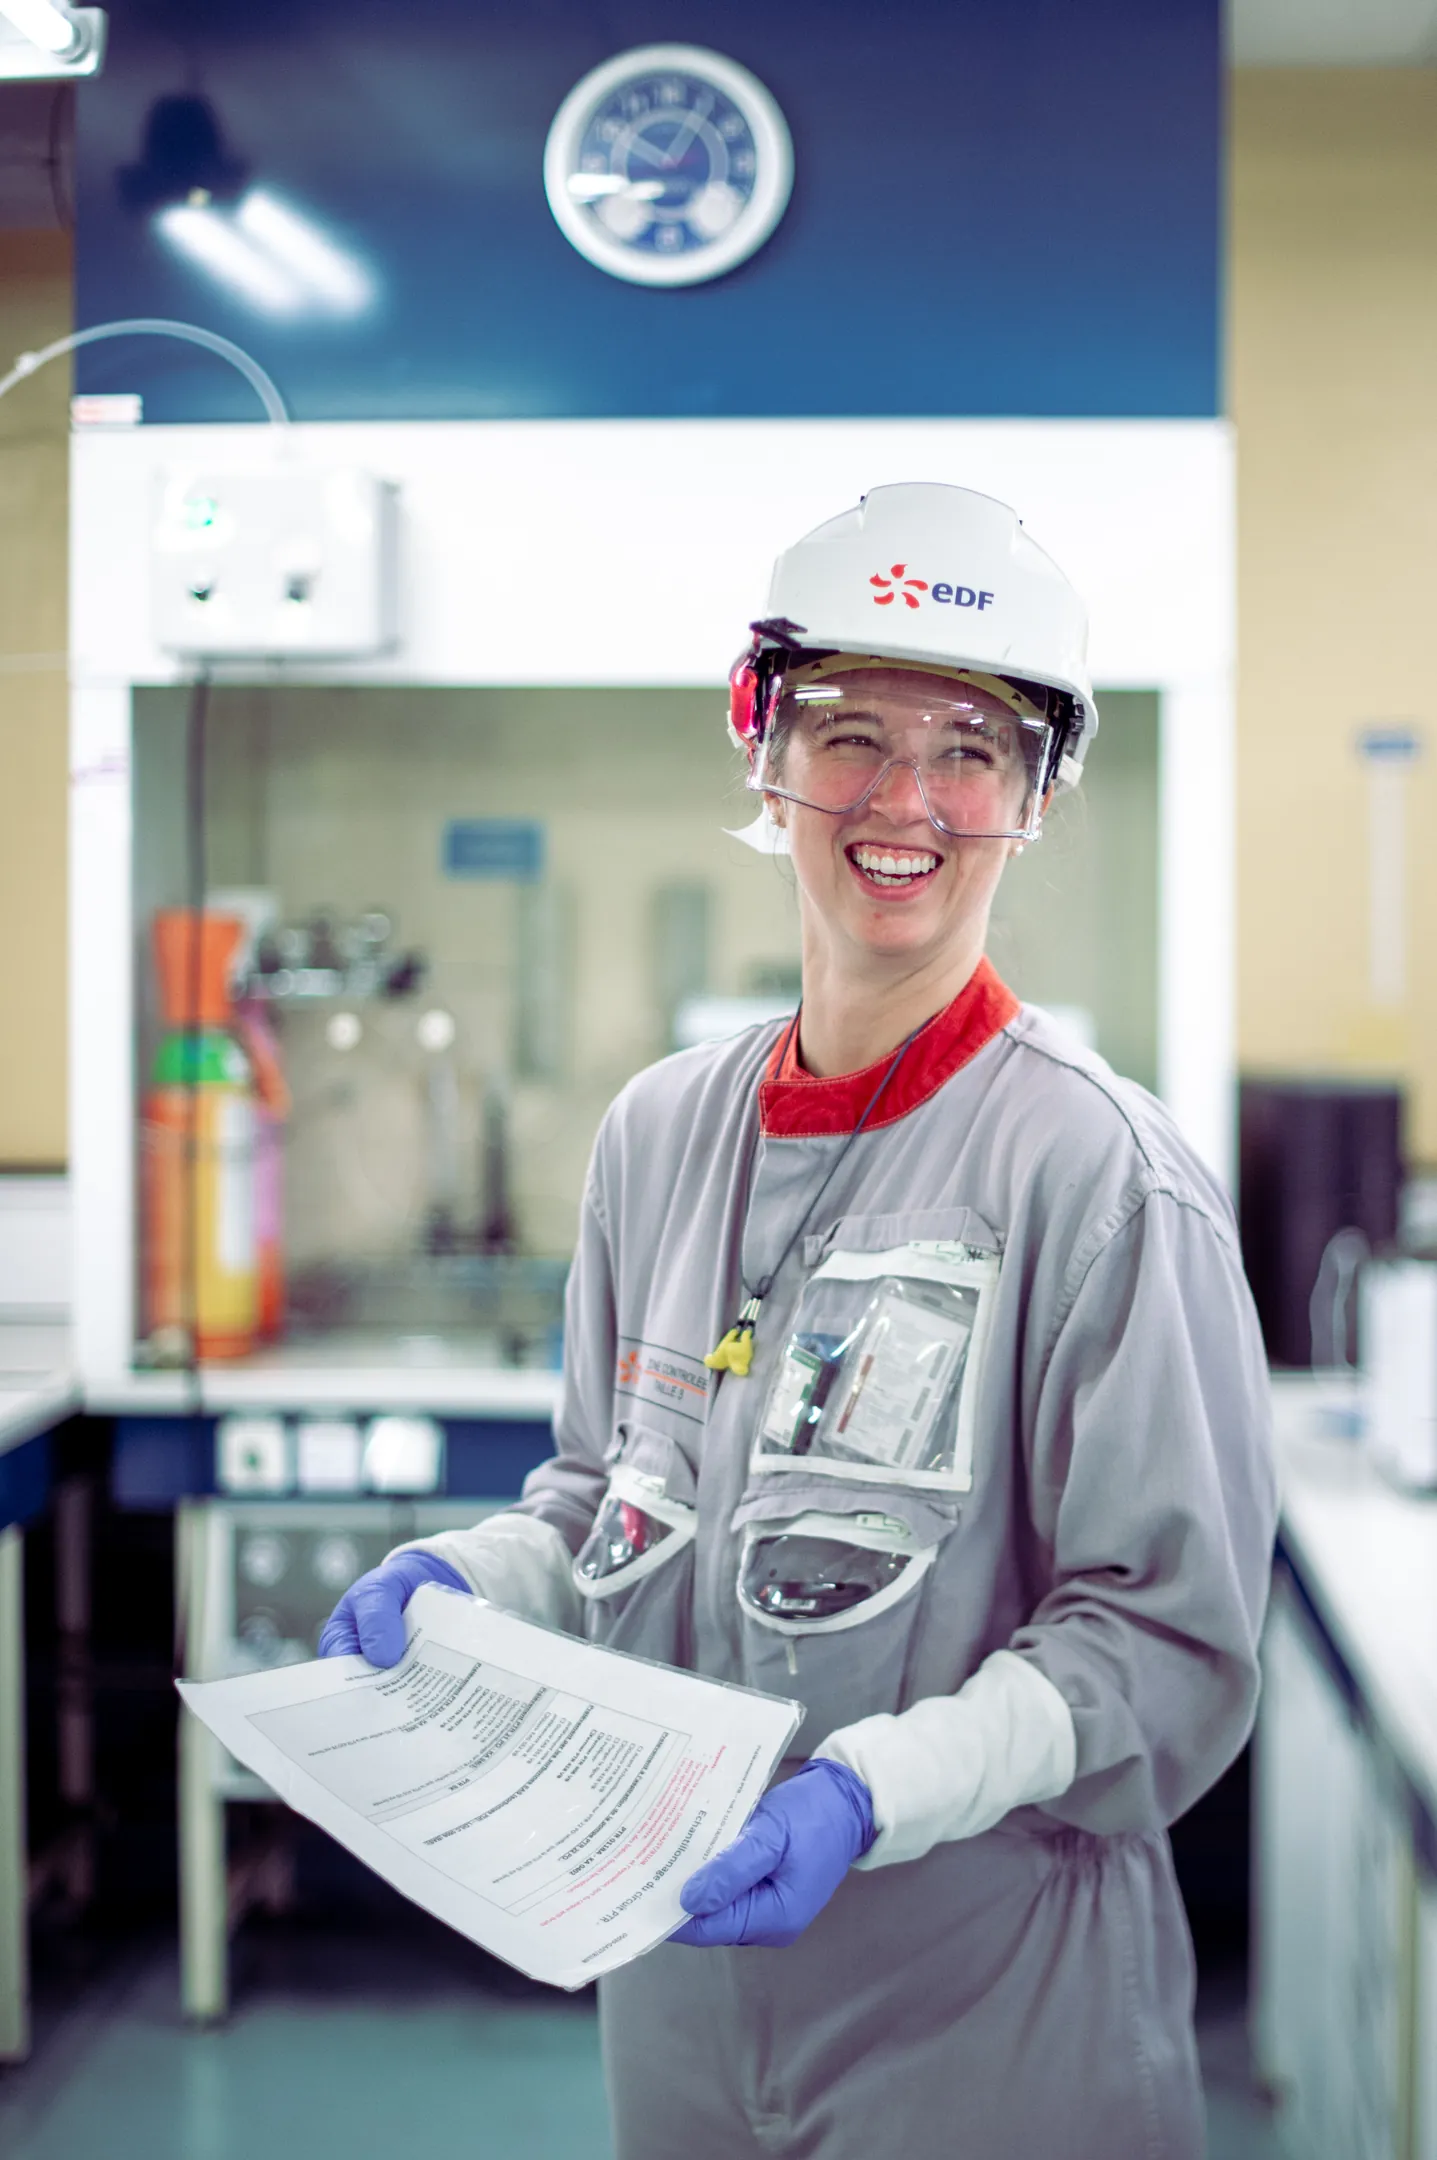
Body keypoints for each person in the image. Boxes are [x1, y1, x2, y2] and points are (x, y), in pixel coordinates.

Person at [320, 482, 1276, 2159]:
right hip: (677, 1996)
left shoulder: (1102, 1180)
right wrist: (473, 1580)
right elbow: (605, 1503)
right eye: (850, 734)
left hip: (990, 2023)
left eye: (971, 749)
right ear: (763, 750)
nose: (905, 800)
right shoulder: (658, 1136)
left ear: (1036, 795)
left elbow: (1166, 1651)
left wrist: (868, 1793)